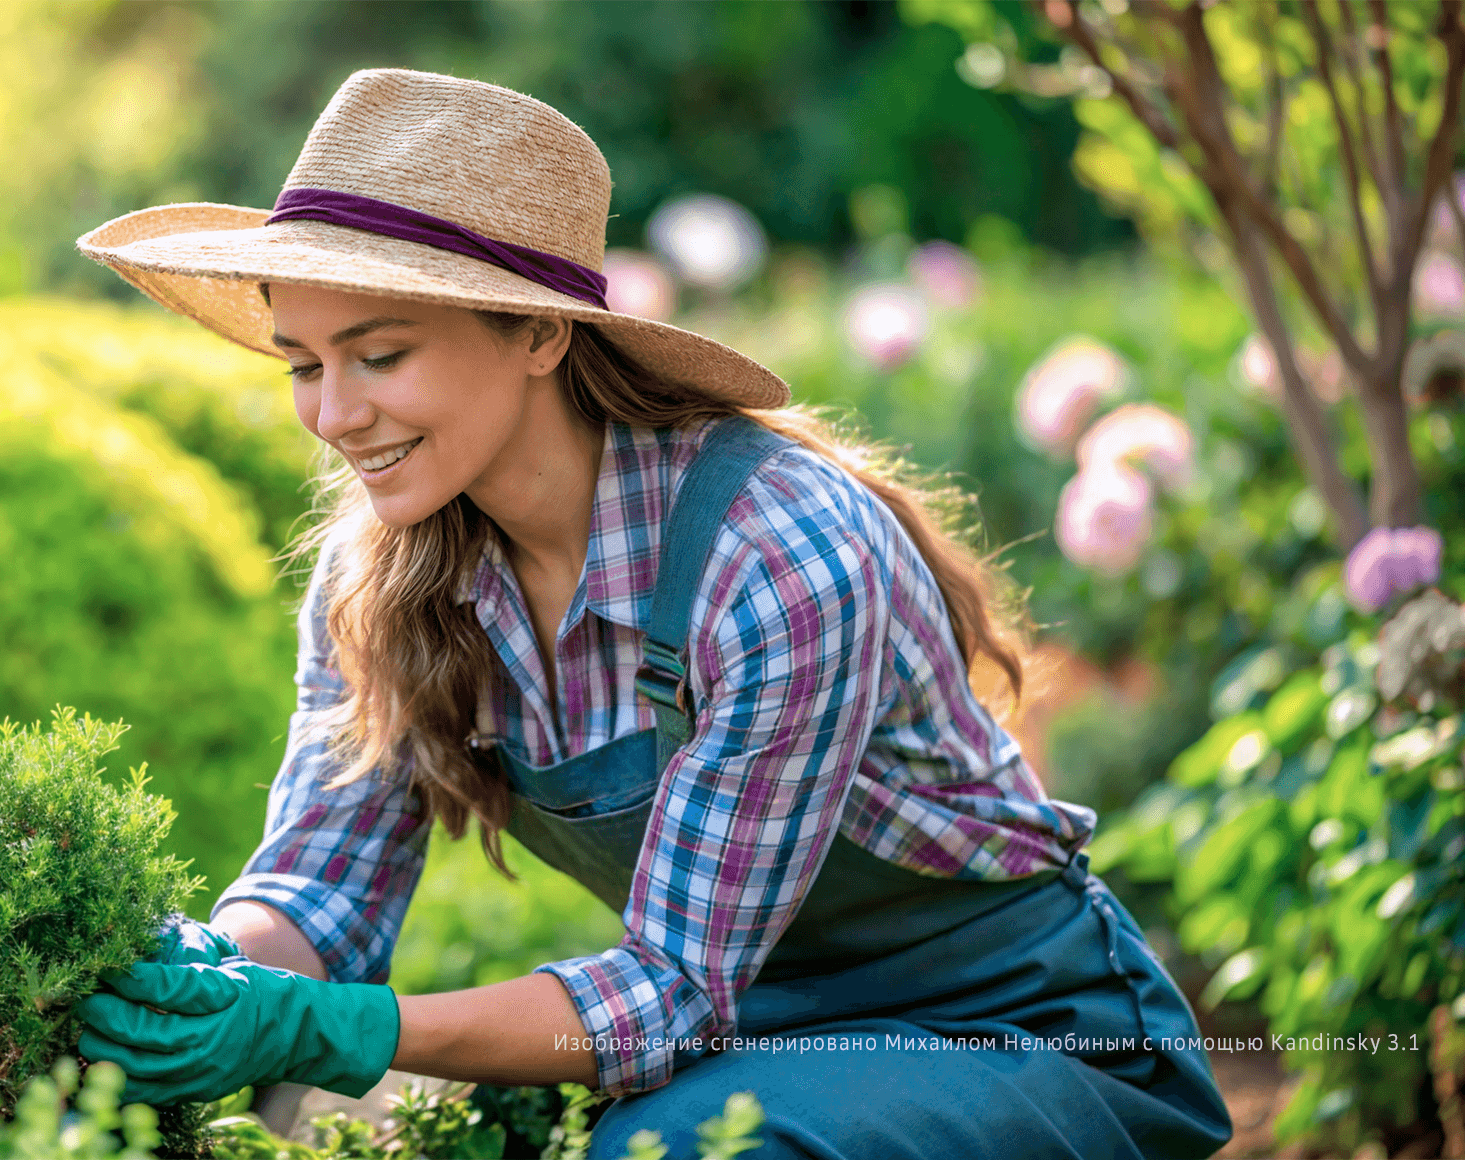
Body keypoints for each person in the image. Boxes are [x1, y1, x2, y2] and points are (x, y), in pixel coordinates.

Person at [71, 67, 1233, 1160]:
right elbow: (322, 883)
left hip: (1015, 1029)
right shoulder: (375, 577)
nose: (331, 414)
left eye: (378, 353)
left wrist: (342, 1031)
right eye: (302, 364)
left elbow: (670, 990)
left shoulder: (774, 554)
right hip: (744, 1043)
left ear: (538, 332)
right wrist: (208, 976)